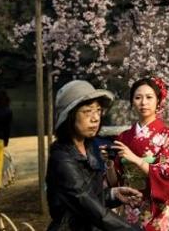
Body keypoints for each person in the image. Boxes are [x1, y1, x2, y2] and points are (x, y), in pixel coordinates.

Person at [46, 80, 140, 231]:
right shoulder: (62, 159)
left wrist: (113, 194)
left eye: (98, 110)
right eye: (87, 111)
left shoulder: (89, 147)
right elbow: (87, 205)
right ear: (69, 116)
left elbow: (90, 196)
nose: (95, 118)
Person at [109, 77, 169, 231]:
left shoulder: (168, 136)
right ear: (132, 102)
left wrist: (136, 160)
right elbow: (114, 181)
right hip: (130, 206)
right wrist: (109, 163)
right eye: (138, 98)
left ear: (158, 101)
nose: (143, 103)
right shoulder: (123, 137)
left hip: (157, 209)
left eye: (149, 97)